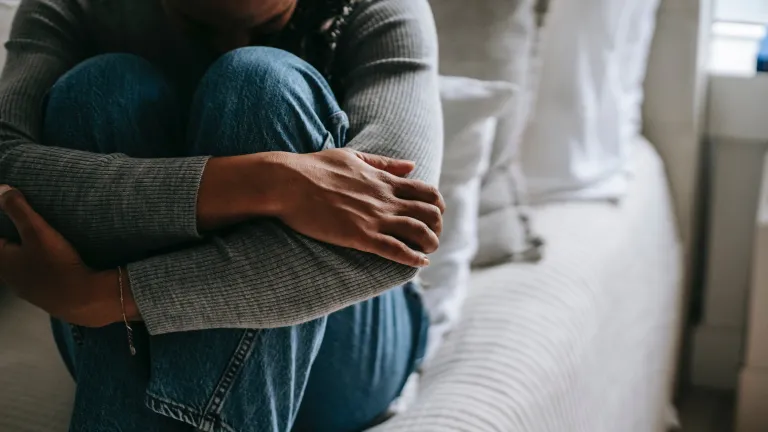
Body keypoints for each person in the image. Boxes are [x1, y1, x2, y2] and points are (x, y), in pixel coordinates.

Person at [0, 0, 443, 430]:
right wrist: (271, 182)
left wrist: (100, 298)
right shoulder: (75, 7)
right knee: (99, 90)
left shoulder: (373, 8)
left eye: (270, 25)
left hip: (342, 345)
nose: (228, 44)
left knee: (261, 82)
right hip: (119, 331)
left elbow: (402, 237)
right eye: (198, 28)